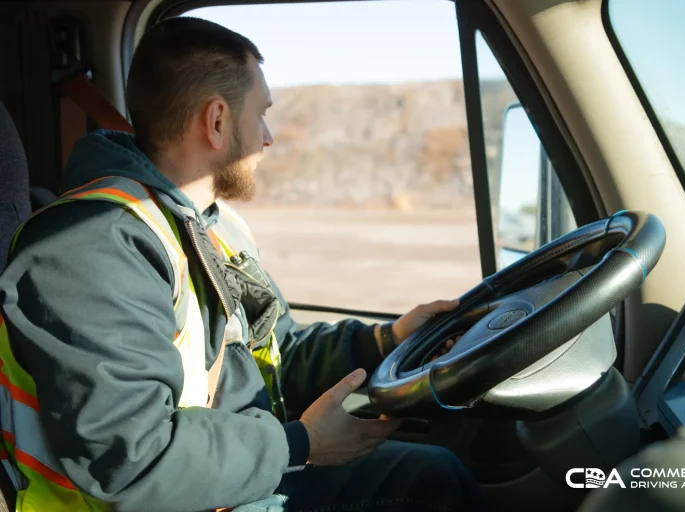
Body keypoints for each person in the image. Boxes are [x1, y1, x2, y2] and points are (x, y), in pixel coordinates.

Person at [0, 17, 486, 512]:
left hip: (225, 481)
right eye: (261, 114)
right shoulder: (89, 247)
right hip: (164, 498)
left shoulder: (211, 225)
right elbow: (130, 458)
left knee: (432, 477)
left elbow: (273, 354)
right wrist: (301, 444)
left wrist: (387, 340)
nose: (269, 137)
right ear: (216, 121)